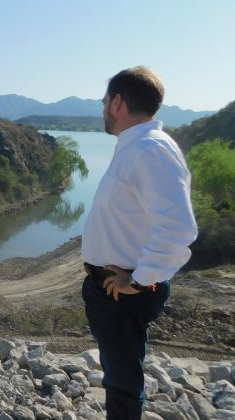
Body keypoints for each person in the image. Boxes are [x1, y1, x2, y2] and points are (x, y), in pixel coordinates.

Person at [81, 66, 198, 419]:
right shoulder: (138, 146)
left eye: (105, 102)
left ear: (118, 102)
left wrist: (138, 279)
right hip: (116, 287)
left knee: (122, 379)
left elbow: (178, 228)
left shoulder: (149, 150)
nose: (103, 109)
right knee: (120, 370)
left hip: (121, 291)